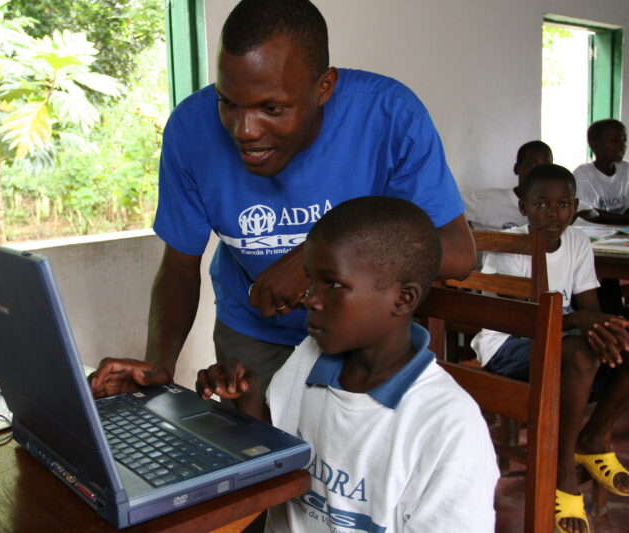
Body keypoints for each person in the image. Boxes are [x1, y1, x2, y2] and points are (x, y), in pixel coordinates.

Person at [92, 0, 474, 400]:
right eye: (227, 102)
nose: (244, 130)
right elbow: (179, 266)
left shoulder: (391, 117)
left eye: (271, 108)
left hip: (364, 337)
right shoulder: (190, 130)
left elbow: (458, 253)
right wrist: (161, 363)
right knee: (259, 453)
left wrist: (312, 262)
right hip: (253, 331)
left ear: (323, 87)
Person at [192, 196, 498, 532]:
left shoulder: (448, 426)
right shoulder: (308, 359)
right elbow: (275, 456)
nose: (309, 298)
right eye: (310, 280)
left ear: (403, 298)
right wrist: (246, 399)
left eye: (334, 284)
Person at [471, 163, 629, 533]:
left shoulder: (576, 242)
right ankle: (562, 470)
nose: (552, 213)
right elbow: (516, 320)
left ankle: (591, 439)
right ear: (524, 208)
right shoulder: (511, 247)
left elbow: (589, 309)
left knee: (620, 344)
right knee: (575, 351)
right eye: (541, 205)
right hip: (508, 342)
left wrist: (608, 330)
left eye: (562, 204)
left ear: (574, 206)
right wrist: (576, 323)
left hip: (562, 339)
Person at [463, 140, 553, 231]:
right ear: (516, 168)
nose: (539, 171)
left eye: (547, 166)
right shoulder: (486, 200)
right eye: (532, 165)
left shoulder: (556, 207)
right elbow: (450, 208)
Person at [575, 118, 629, 225]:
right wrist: (625, 219)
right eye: (614, 140)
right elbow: (591, 214)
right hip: (593, 233)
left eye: (624, 139)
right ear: (594, 144)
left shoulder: (626, 169)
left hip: (620, 232)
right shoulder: (583, 173)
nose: (622, 145)